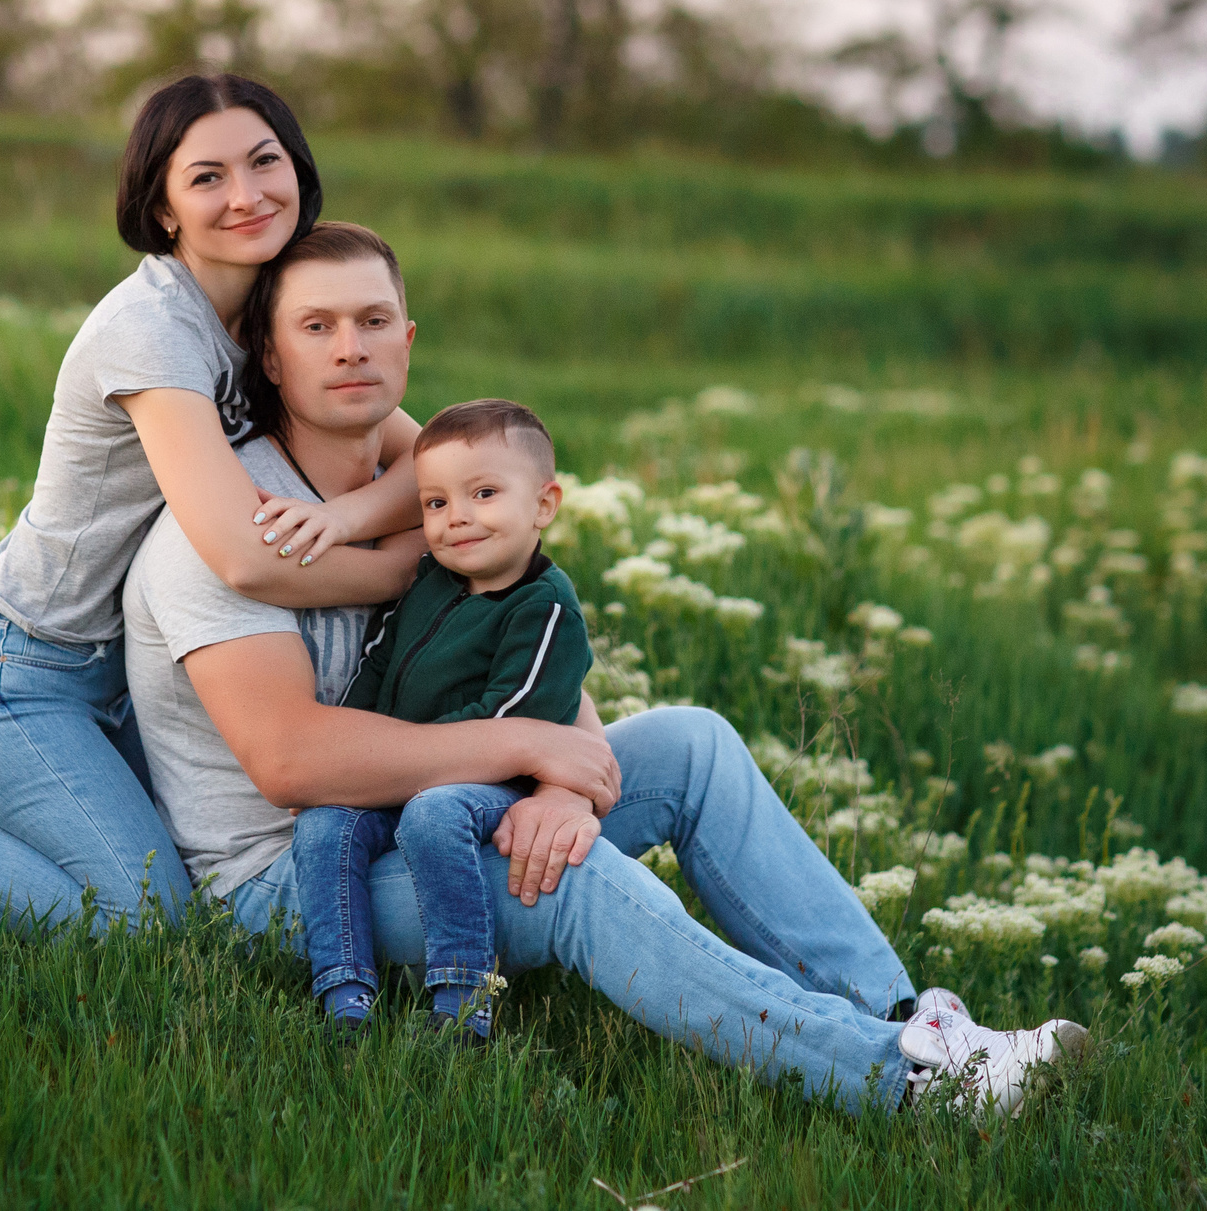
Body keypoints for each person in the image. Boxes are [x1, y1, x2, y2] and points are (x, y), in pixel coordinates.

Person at [121, 220, 1089, 1115]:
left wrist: (559, 784)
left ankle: (912, 1020)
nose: (350, 347)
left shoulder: (439, 499)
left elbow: (533, 653)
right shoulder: (222, 530)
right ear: (271, 356)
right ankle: (903, 1088)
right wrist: (524, 755)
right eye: (317, 325)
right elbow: (289, 763)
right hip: (292, 873)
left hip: (435, 811)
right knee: (573, 881)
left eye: (373, 320)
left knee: (692, 745)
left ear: (407, 342)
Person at [0, 73, 447, 928]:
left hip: (129, 672)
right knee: (143, 920)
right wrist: (399, 566)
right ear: (164, 207)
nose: (245, 195)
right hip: (15, 666)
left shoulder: (277, 310)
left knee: (165, 875)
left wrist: (350, 518)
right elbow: (241, 558)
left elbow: (428, 463)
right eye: (207, 177)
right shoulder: (154, 328)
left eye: (264, 162)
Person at [292, 398, 592, 1043]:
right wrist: (350, 749)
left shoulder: (544, 607)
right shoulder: (429, 580)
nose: (457, 518)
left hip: (491, 785)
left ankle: (463, 995)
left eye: (483, 493)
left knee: (435, 813)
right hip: (408, 771)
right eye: (434, 503)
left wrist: (405, 760)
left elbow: (512, 720)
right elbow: (374, 667)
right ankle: (344, 989)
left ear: (543, 504)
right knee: (324, 824)